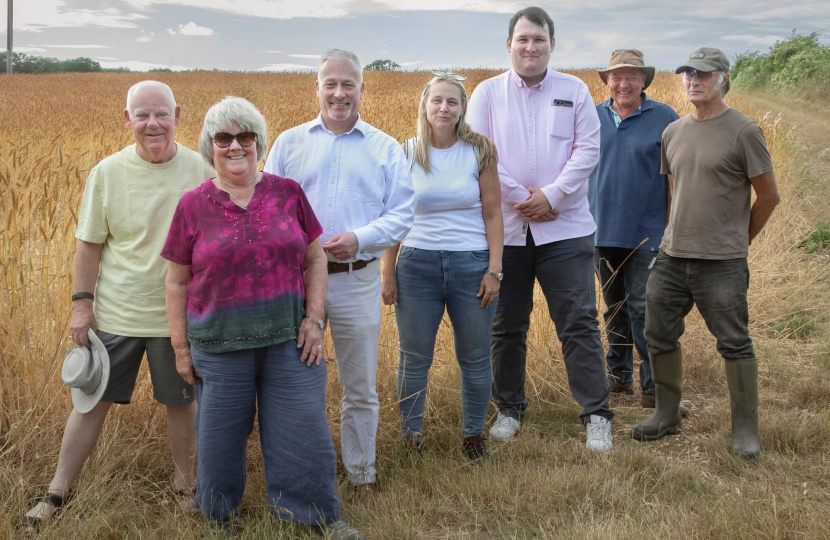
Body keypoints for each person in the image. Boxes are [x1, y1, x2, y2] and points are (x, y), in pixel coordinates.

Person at [162, 96, 365, 539]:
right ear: (210, 146)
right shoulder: (192, 206)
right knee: (218, 439)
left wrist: (314, 319)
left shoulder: (288, 193)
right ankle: (218, 518)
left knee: (303, 431)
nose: (235, 146)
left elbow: (315, 260)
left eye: (245, 136)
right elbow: (176, 282)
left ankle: (314, 516)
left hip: (291, 342)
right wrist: (180, 347)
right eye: (224, 138)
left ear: (259, 142)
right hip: (218, 346)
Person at [25, 81, 206, 531]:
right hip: (116, 313)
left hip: (176, 319)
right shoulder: (107, 173)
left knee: (181, 404)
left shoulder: (202, 170)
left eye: (161, 114)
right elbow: (89, 246)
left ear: (178, 116)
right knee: (90, 403)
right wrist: (81, 306)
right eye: (142, 115)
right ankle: (57, 491)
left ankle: (186, 490)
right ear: (128, 120)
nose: (152, 124)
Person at [264, 49, 414, 489]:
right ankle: (302, 473)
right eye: (330, 83)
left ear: (362, 89)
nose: (339, 93)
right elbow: (266, 208)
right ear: (317, 88)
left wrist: (360, 239)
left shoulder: (384, 148)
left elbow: (402, 214)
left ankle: (361, 473)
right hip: (297, 284)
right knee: (294, 383)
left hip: (357, 279)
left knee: (360, 386)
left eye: (348, 84)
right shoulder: (289, 143)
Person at [467, 6, 613, 452]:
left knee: (579, 321)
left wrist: (551, 196)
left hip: (565, 229)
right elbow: (479, 153)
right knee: (506, 325)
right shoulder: (487, 94)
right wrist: (522, 199)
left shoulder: (574, 90)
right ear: (509, 44)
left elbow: (588, 150)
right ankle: (509, 409)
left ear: (552, 44)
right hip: (507, 232)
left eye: (539, 40)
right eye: (523, 39)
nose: (530, 47)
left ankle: (596, 414)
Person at [632, 48, 779, 460]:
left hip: (722, 262)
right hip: (672, 256)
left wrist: (737, 241)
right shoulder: (674, 132)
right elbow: (676, 190)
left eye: (703, 74)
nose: (693, 81)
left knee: (734, 342)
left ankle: (746, 430)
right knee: (658, 332)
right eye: (688, 74)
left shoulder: (744, 131)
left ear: (723, 79)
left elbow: (769, 197)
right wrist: (672, 235)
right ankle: (666, 414)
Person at [380, 72, 503, 462]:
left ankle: (473, 436)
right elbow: (394, 215)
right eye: (437, 100)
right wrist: (388, 270)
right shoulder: (406, 151)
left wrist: (495, 270)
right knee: (414, 356)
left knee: (475, 356)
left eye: (452, 101)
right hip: (417, 266)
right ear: (425, 104)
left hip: (472, 266)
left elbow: (493, 213)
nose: (444, 108)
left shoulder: (480, 150)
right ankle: (411, 437)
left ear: (463, 107)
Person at [588, 49, 687, 414]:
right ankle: (618, 375)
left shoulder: (665, 117)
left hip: (648, 233)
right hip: (600, 230)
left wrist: (673, 226)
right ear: (607, 81)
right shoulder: (591, 116)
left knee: (646, 309)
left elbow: (679, 176)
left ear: (644, 80)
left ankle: (654, 388)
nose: (624, 84)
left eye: (632, 76)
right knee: (614, 308)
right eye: (616, 76)